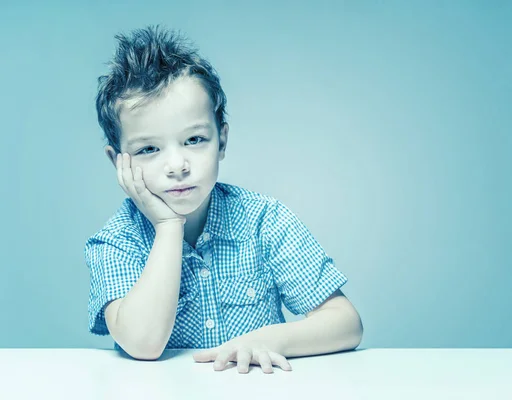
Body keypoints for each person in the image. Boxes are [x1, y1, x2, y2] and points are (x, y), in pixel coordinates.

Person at [84, 25, 363, 374]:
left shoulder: (265, 220)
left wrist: (272, 339)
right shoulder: (115, 242)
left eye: (195, 140)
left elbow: (346, 322)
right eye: (149, 149)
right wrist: (169, 226)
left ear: (222, 141)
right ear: (118, 162)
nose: (177, 165)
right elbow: (143, 343)